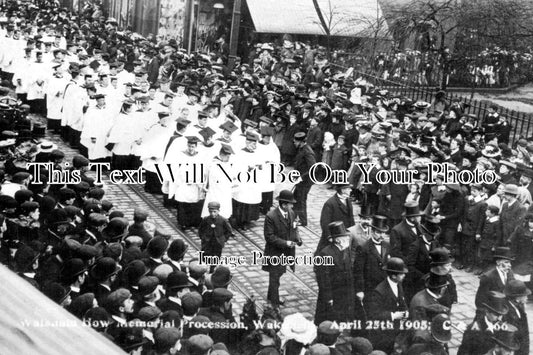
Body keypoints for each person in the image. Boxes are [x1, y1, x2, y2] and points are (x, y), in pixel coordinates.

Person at [262, 190, 302, 308]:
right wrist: (286, 243)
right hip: (274, 252)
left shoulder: (291, 213)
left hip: (287, 252)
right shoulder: (271, 216)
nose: (292, 206)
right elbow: (269, 237)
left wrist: (298, 239)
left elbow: (294, 229)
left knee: (278, 274)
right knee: (274, 276)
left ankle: (271, 296)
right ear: (284, 204)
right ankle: (274, 303)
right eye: (290, 204)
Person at [365, 257, 409, 353]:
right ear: (393, 276)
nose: (404, 275)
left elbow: (401, 300)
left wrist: (406, 311)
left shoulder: (398, 284)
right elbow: (374, 314)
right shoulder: (379, 291)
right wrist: (393, 315)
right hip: (382, 333)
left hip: (393, 330)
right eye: (401, 274)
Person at [315, 221, 356, 325]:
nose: (348, 239)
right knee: (328, 321)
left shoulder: (345, 250)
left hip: (343, 292)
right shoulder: (325, 253)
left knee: (340, 318)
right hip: (332, 293)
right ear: (337, 240)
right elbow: (324, 279)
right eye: (345, 237)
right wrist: (328, 298)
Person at [316, 182, 355, 254]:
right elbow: (324, 222)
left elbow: (351, 217)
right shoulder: (330, 203)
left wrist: (353, 230)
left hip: (345, 234)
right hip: (334, 235)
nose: (351, 190)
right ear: (343, 190)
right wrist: (329, 237)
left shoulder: (348, 200)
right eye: (348, 188)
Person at [198, 202, 233, 272]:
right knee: (205, 256)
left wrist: (223, 239)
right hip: (207, 242)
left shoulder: (223, 220)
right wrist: (203, 237)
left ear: (218, 211)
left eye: (215, 212)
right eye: (211, 212)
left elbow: (229, 231)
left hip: (218, 243)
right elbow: (201, 229)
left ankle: (212, 270)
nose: (213, 214)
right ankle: (204, 269)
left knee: (216, 257)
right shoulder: (206, 219)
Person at [292, 131, 317, 226]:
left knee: (301, 199)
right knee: (296, 197)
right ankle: (293, 217)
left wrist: (301, 177)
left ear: (301, 142)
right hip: (301, 179)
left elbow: (313, 167)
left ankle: (303, 221)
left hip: (306, 180)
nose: (294, 143)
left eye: (296, 142)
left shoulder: (308, 152)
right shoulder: (301, 148)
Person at [503, 280, 530, 355]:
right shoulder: (506, 312)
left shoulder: (519, 307)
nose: (527, 297)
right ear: (517, 297)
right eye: (525, 295)